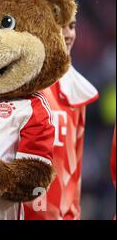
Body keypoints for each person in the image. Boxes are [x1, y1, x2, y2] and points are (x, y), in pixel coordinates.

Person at [23, 16, 99, 220]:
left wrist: (72, 215)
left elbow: (73, 172)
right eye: (59, 26)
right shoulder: (15, 87)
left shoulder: (76, 93)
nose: (68, 34)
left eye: (72, 26)